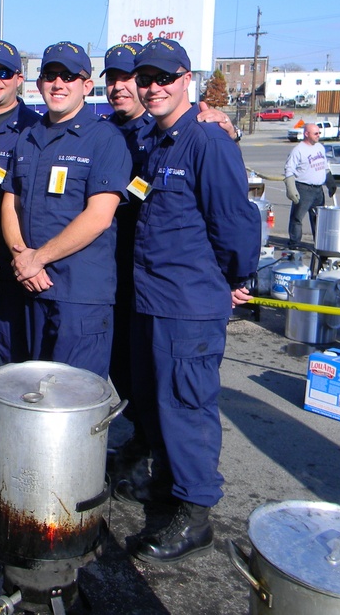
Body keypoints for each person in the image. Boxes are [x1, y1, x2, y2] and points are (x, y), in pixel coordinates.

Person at [127, 38, 260, 564]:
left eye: (165, 78)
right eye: (146, 79)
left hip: (189, 304)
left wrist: (233, 278)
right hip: (153, 299)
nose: (153, 87)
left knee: (186, 407)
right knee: (158, 403)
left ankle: (195, 513)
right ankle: (168, 487)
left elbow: (235, 224)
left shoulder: (207, 142)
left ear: (189, 80)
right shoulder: (154, 142)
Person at [0, 42, 130, 377]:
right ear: (39, 83)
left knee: (76, 398)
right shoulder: (28, 136)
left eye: (69, 76)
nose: (59, 84)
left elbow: (99, 216)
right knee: (34, 392)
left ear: (87, 86)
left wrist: (36, 258)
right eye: (50, 75)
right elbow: (10, 203)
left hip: (79, 297)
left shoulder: (105, 139)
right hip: (32, 288)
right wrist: (21, 257)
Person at [0, 40, 40, 376]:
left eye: (4, 72)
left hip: (15, 263)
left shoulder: (37, 128)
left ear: (19, 79)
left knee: (18, 360)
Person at [284, 122, 332, 247]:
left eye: (319, 133)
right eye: (315, 133)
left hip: (318, 190)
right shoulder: (298, 150)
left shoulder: (320, 147)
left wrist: (330, 182)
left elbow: (325, 166)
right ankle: (294, 243)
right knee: (297, 218)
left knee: (318, 218)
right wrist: (291, 188)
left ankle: (319, 243)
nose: (318, 135)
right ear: (306, 134)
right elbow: (289, 169)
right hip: (303, 188)